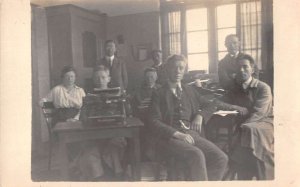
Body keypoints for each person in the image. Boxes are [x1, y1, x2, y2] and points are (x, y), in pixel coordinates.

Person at [148, 54, 228, 181]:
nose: (178, 71)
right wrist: (177, 134)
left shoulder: (189, 90)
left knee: (221, 158)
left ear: (184, 70)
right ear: (167, 69)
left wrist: (200, 115)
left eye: (181, 68)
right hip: (169, 138)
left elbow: (212, 104)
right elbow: (153, 121)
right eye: (174, 68)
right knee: (197, 154)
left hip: (191, 134)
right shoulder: (159, 93)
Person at [215, 54, 274, 180]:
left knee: (248, 130)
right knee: (247, 132)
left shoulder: (263, 88)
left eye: (245, 67)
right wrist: (237, 108)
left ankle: (236, 168)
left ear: (252, 69)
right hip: (245, 127)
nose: (241, 70)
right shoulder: (235, 89)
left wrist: (241, 127)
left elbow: (259, 113)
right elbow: (218, 102)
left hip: (264, 123)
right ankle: (247, 171)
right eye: (238, 68)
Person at [79, 65, 127, 181]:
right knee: (91, 152)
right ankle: (98, 178)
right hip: (94, 136)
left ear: (109, 79)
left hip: (114, 134)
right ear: (94, 80)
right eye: (97, 78)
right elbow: (82, 118)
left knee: (114, 147)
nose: (100, 81)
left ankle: (118, 175)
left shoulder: (118, 95)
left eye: (103, 77)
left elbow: (124, 117)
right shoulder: (88, 97)